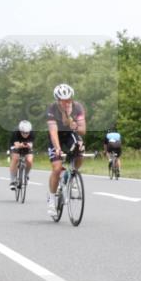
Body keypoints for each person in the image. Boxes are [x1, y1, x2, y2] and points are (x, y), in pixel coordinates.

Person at [46, 83, 87, 215]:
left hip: (70, 134)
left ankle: (72, 175)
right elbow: (53, 131)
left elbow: (82, 131)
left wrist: (75, 126)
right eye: (62, 101)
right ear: (57, 100)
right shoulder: (52, 109)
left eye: (68, 100)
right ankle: (52, 201)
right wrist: (57, 148)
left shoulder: (78, 107)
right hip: (56, 136)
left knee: (80, 150)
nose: (66, 103)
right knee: (57, 168)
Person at [8, 120, 35, 189]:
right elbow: (16, 145)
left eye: (27, 133)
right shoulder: (15, 132)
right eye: (23, 133)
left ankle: (26, 175)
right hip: (15, 145)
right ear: (20, 131)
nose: (25, 134)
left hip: (26, 146)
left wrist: (28, 145)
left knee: (29, 160)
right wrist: (21, 145)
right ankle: (12, 180)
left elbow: (31, 145)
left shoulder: (32, 133)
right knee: (15, 158)